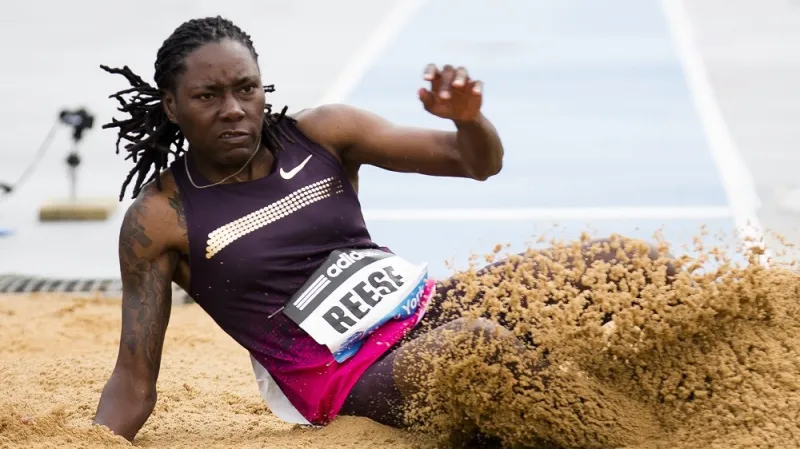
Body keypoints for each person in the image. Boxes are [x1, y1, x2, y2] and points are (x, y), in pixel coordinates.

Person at [92, 16, 672, 446]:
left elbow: (476, 163)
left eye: (247, 89)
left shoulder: (321, 133)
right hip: (346, 377)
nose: (236, 109)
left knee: (622, 261)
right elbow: (135, 379)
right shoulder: (161, 218)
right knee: (481, 347)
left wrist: (468, 120)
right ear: (171, 105)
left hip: (425, 306)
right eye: (207, 96)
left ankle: (703, 390)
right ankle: (642, 435)